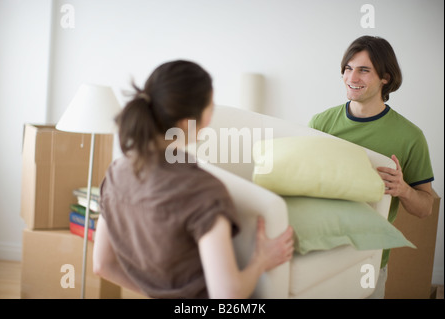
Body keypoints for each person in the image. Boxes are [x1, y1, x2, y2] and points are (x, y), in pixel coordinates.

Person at [93, 60, 294, 299]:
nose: (213, 111)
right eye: (210, 105)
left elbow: (102, 265)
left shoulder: (116, 173)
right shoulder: (204, 190)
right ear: (188, 122)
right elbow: (226, 296)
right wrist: (261, 260)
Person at [309, 35, 435, 298]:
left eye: (364, 70)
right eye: (348, 68)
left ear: (385, 78)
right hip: (317, 255)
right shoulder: (321, 123)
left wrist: (403, 190)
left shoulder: (410, 136)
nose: (352, 77)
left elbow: (425, 208)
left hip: (368, 261)